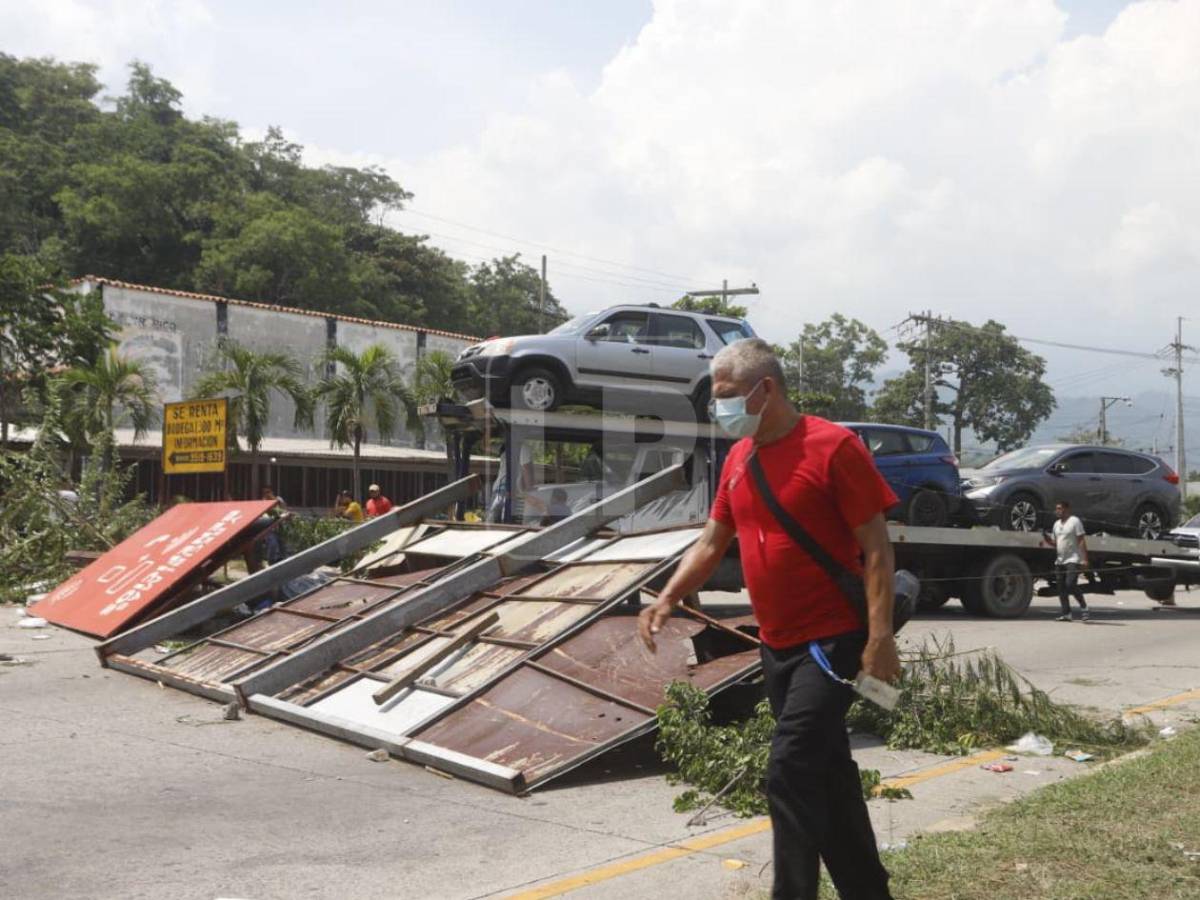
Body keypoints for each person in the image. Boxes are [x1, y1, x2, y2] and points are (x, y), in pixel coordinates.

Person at [638, 338, 899, 900]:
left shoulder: (834, 447)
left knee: (788, 770)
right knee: (827, 773)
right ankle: (868, 891)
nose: (720, 408)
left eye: (729, 396)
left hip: (832, 640)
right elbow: (712, 542)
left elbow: (877, 549)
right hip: (776, 645)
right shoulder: (740, 458)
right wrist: (667, 597)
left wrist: (880, 639)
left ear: (767, 389)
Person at [1045, 500, 1089, 621]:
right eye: (1057, 509)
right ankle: (1066, 613)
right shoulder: (1056, 524)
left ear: (1067, 509)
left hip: (1073, 559)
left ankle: (1084, 607)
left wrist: (1084, 559)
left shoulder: (1075, 521)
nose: (1057, 511)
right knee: (1061, 587)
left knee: (1070, 584)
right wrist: (1047, 540)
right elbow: (1055, 543)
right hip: (1060, 560)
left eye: (1060, 508)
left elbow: (1081, 540)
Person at [260, 485, 288, 565]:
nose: (267, 494)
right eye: (265, 493)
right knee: (272, 544)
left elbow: (284, 510)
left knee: (282, 545)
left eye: (268, 492)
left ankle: (283, 562)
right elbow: (264, 515)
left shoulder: (278, 500)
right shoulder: (264, 502)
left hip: (280, 527)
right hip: (270, 528)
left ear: (272, 492)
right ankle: (272, 562)